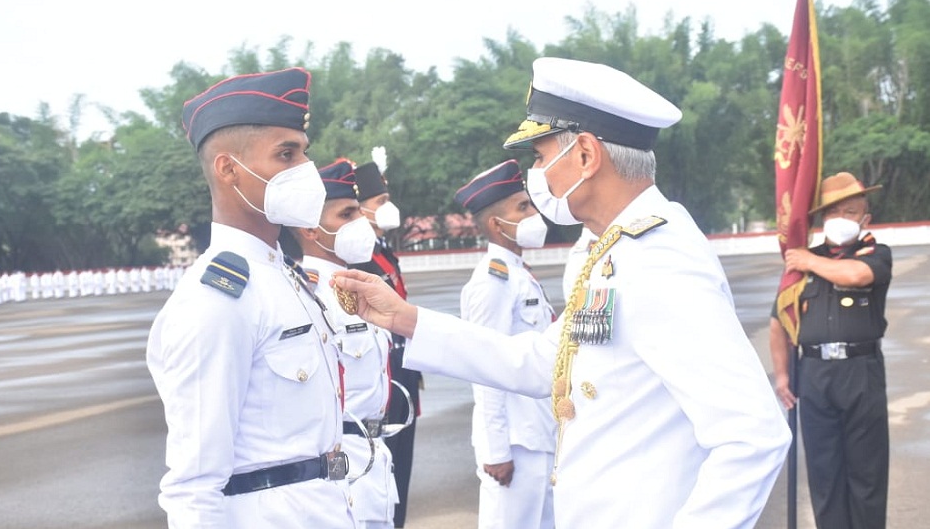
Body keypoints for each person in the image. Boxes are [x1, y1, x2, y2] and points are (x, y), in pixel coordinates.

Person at [333, 57, 791, 528]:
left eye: (540, 155)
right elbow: (543, 363)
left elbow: (753, 435)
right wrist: (408, 320)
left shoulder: (658, 258)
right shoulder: (609, 248)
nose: (539, 174)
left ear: (587, 156)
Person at [145, 68, 354, 529]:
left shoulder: (282, 275)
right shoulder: (218, 298)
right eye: (286, 154)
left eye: (303, 153)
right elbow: (192, 485)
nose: (305, 170)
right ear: (228, 169)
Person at [769, 171, 891, 529]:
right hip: (815, 375)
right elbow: (779, 320)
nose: (842, 220)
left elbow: (855, 276)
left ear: (865, 218)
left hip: (861, 372)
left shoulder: (875, 254)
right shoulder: (801, 265)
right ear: (822, 218)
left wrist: (807, 261)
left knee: (867, 476)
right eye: (834, 213)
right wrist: (781, 375)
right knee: (825, 474)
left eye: (851, 212)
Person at [285, 157, 399, 528]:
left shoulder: (359, 285)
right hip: (340, 468)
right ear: (311, 231)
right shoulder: (308, 295)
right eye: (347, 215)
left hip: (373, 457)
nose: (362, 224)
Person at [454, 160, 556, 529]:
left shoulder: (517, 275)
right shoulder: (491, 282)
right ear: (497, 225)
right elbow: (485, 368)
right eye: (522, 207)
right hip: (514, 445)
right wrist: (495, 449)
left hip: (537, 435)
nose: (533, 213)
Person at [350, 155, 420, 528]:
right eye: (380, 201)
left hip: (400, 378)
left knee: (398, 482)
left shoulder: (381, 251)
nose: (387, 206)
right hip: (383, 385)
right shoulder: (359, 258)